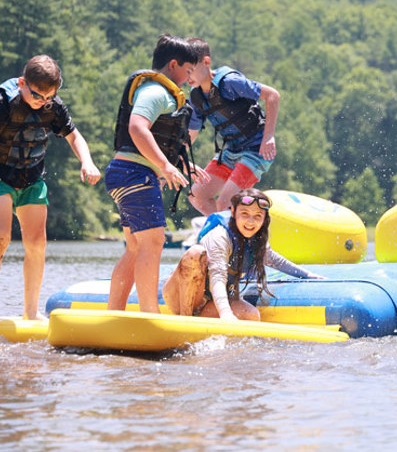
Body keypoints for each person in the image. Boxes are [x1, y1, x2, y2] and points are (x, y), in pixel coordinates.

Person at [105, 34, 208, 313]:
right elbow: (137, 128)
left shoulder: (161, 92)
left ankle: (114, 313)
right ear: (173, 65)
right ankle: (149, 313)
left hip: (126, 172)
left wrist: (180, 165)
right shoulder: (155, 92)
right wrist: (165, 166)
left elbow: (157, 141)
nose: (190, 78)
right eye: (188, 71)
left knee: (135, 247)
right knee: (153, 242)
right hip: (135, 173)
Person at [0, 55, 101, 320]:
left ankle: (30, 314)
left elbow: (74, 136)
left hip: (32, 178)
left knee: (37, 244)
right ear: (22, 83)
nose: (42, 101)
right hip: (1, 176)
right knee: (2, 237)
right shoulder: (3, 102)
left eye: (49, 96)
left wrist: (87, 162)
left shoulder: (53, 107)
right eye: (37, 95)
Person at [162, 188, 323, 321]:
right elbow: (217, 278)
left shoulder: (256, 240)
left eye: (258, 216)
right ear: (233, 212)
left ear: (264, 219)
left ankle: (201, 326)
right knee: (195, 253)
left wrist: (308, 275)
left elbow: (276, 261)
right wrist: (226, 313)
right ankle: (185, 319)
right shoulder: (220, 236)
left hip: (208, 302)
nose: (251, 221)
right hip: (181, 296)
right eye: (244, 214)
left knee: (251, 315)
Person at [185, 38, 280, 216]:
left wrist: (269, 136)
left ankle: (236, 229)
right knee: (197, 195)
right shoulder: (196, 97)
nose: (187, 76)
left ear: (206, 62)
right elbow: (191, 135)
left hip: (256, 150)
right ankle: (226, 231)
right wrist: (169, 164)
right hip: (231, 151)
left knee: (224, 203)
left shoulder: (230, 82)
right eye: (184, 71)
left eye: (190, 70)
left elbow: (273, 95)